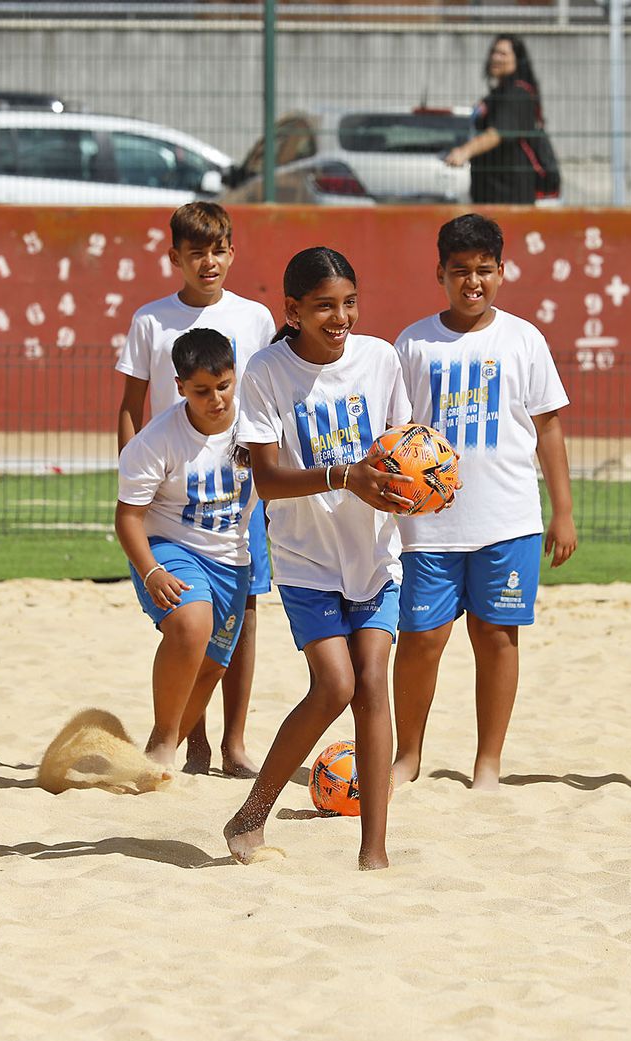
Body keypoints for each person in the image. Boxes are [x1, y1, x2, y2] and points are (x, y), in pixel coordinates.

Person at [223, 247, 413, 871]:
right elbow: (269, 480)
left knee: (373, 690)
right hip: (306, 558)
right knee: (335, 685)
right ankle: (256, 807)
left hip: (376, 553)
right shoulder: (266, 372)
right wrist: (342, 476)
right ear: (293, 310)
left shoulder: (381, 360)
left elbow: (404, 449)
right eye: (325, 306)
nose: (341, 317)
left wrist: (422, 487)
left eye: (350, 303)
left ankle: (374, 851)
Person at [390, 213, 576, 791]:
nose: (473, 281)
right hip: (429, 528)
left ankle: (488, 762)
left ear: (502, 271)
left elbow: (547, 429)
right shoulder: (413, 343)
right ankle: (408, 755)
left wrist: (563, 511)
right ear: (440, 273)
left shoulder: (524, 339)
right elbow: (396, 434)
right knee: (423, 641)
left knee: (497, 637)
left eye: (484, 270)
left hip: (508, 520)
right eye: (460, 271)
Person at [114, 202, 276, 778]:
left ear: (233, 251)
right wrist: (136, 478)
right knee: (193, 619)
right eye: (197, 251)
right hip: (172, 490)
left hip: (237, 493)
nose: (209, 262)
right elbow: (132, 407)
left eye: (219, 249)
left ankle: (233, 743)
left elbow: (266, 403)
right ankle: (190, 740)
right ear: (175, 257)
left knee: (243, 617)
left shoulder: (255, 318)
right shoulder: (151, 321)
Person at [115, 327, 257, 771]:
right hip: (170, 546)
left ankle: (163, 750)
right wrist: (152, 570)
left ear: (235, 375)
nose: (215, 399)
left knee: (214, 665)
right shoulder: (155, 441)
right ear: (179, 387)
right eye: (201, 391)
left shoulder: (257, 425)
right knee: (192, 624)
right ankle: (162, 739)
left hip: (233, 557)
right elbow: (127, 518)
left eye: (223, 386)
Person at [446, 34, 547, 205]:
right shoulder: (498, 93)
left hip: (509, 192)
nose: (495, 57)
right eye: (493, 52)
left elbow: (497, 133)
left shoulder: (518, 94)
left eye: (503, 54)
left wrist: (465, 151)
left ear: (517, 60)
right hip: (489, 188)